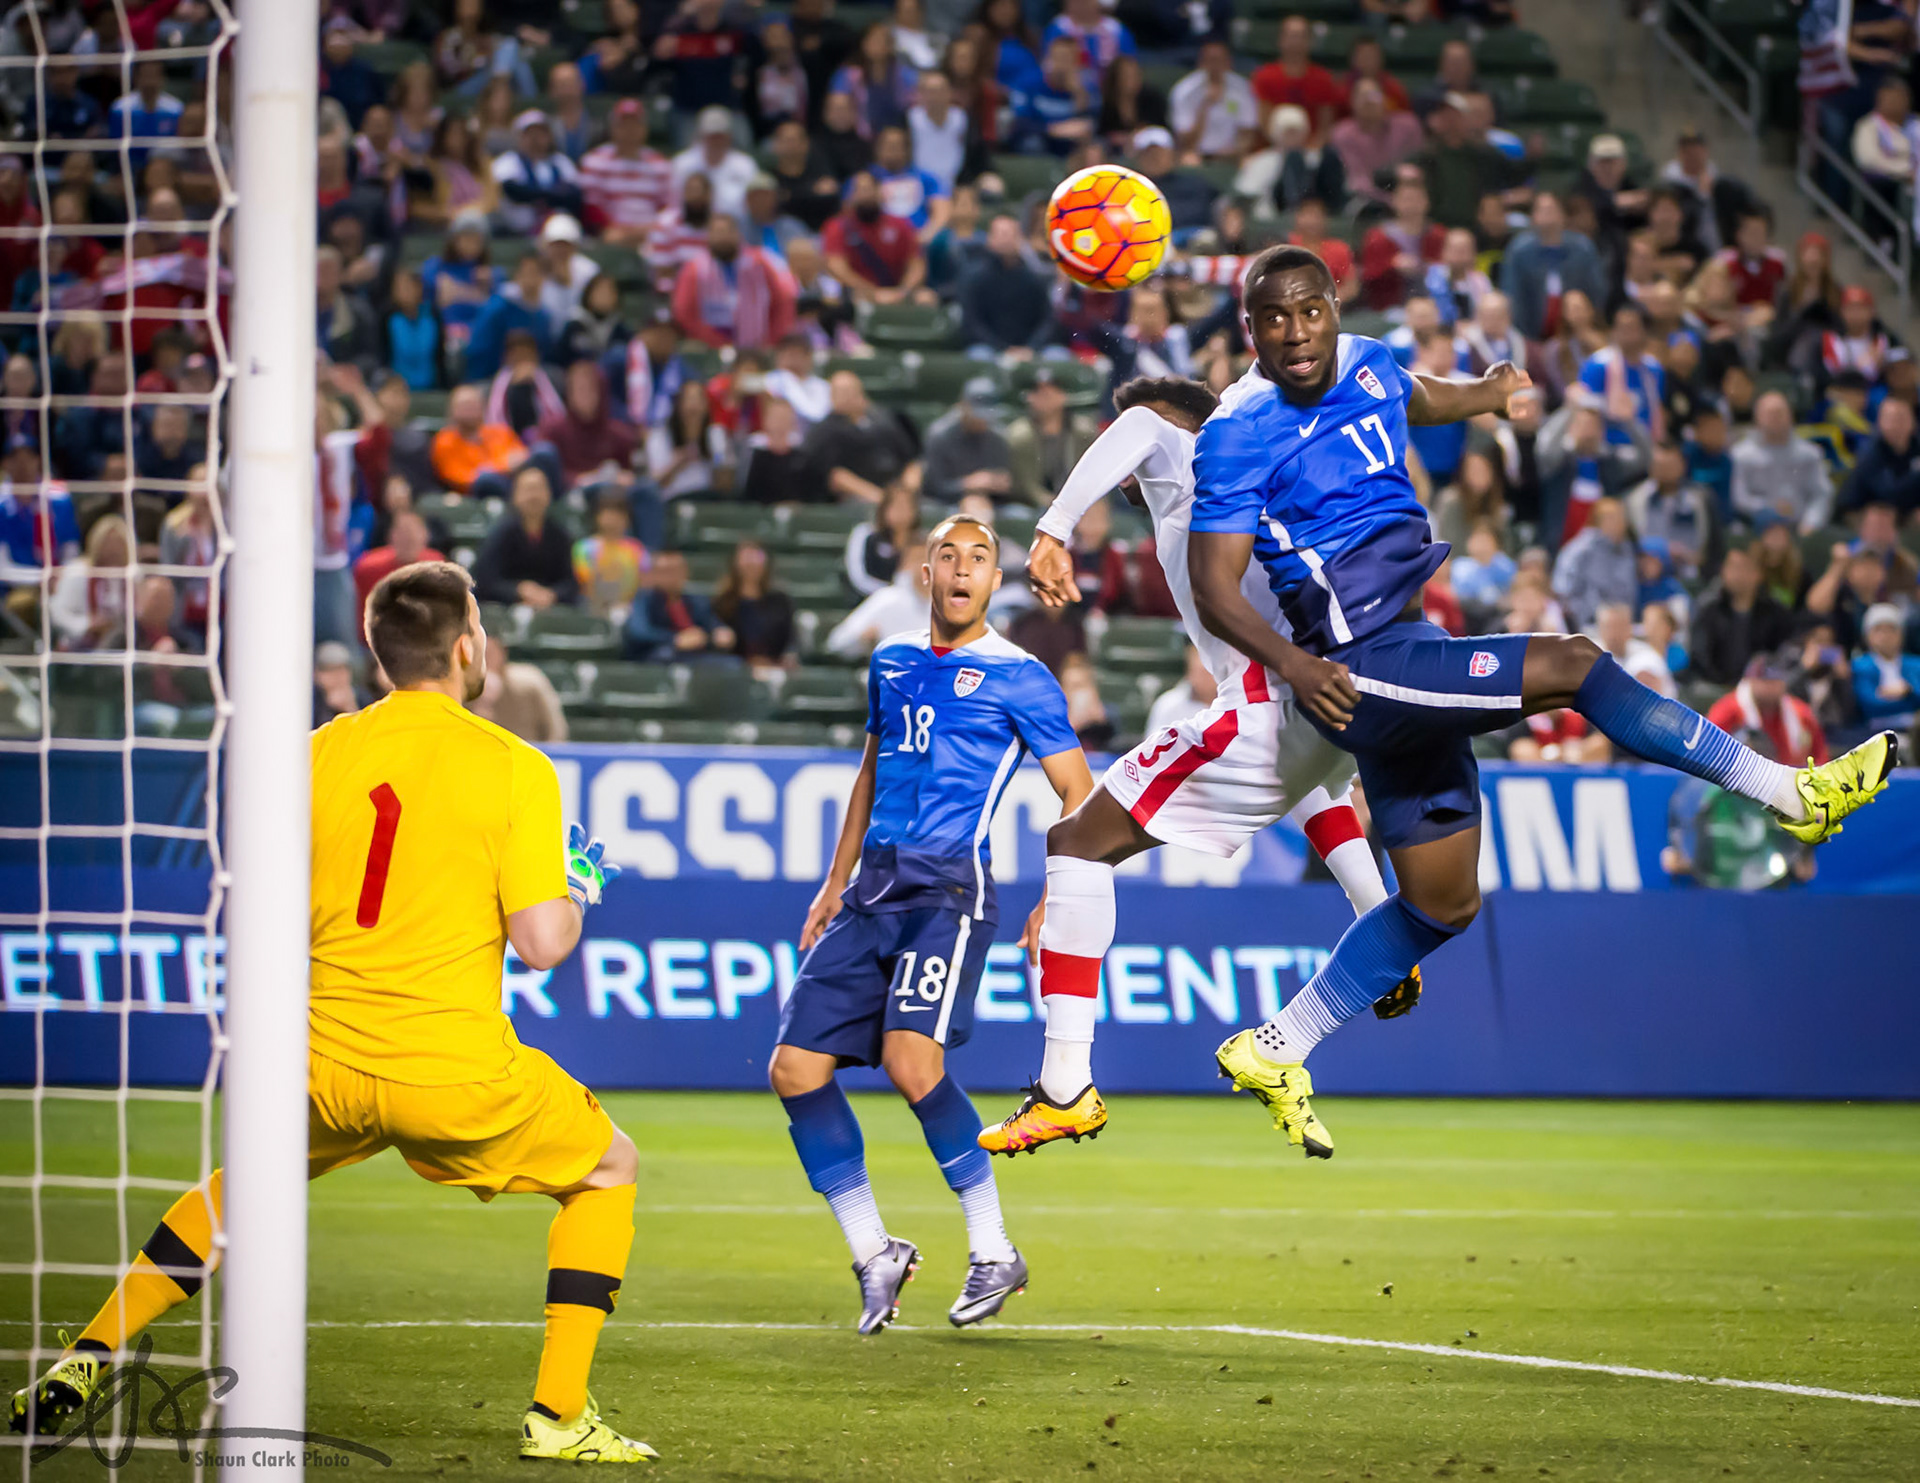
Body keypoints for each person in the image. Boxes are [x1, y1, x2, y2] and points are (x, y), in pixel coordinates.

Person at [1180, 245, 1896, 1158]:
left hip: (1409, 638)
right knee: (1575, 662)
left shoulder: (1363, 358)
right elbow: (1214, 584)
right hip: (1355, 665)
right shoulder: (1237, 428)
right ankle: (1789, 795)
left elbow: (1414, 394)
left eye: (1307, 310)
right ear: (1248, 328)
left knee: (1442, 903)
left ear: (1332, 305)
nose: (1295, 332)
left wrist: (1483, 393)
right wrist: (1296, 663)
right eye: (1272, 318)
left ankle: (1278, 1043)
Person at [12, 563, 646, 1460]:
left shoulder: (313, 754)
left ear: (381, 652)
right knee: (609, 1167)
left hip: (322, 1060)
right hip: (447, 1070)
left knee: (238, 1194)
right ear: (469, 646)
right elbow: (543, 943)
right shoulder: (516, 764)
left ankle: (89, 1351)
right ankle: (558, 1414)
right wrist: (577, 886)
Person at [978, 377, 1417, 1155]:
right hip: (1325, 698)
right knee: (1310, 781)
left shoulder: (1182, 440)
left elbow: (1140, 424)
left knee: (1078, 842)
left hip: (1262, 695)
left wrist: (1054, 528)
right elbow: (1311, 784)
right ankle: (1380, 928)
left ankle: (1063, 1089)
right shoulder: (1257, 473)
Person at [771, 515, 1092, 1331]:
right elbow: (871, 771)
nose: (961, 568)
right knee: (793, 1067)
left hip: (950, 894)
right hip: (871, 892)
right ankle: (875, 1250)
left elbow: (1080, 793)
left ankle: (993, 1250)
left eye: (978, 557)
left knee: (912, 1062)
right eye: (947, 555)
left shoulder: (1022, 676)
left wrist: (1062, 892)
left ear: (994, 583)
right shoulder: (891, 660)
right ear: (925, 574)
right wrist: (833, 880)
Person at [672, 212, 797, 352]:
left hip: (758, 347)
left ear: (738, 234)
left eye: (727, 232)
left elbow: (783, 300)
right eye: (717, 232)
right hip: (711, 349)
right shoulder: (694, 268)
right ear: (709, 236)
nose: (722, 238)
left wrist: (773, 340)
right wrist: (715, 342)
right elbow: (684, 312)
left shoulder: (761, 263)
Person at [1499, 192, 1607, 343]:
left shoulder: (1583, 248)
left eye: (1551, 210)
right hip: (1530, 334)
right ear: (1533, 216)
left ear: (1563, 215)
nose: (1547, 216)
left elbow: (1596, 292)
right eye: (1541, 210)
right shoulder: (1519, 250)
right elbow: (1512, 295)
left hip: (1576, 334)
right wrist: (1525, 340)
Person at [472, 465, 580, 610]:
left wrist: (552, 594)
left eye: (539, 489)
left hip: (548, 608)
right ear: (515, 495)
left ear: (549, 494)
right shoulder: (500, 533)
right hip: (505, 608)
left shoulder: (559, 535)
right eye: (528, 489)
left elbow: (570, 583)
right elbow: (485, 580)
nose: (534, 496)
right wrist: (519, 590)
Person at [802, 369, 920, 503]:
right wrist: (882, 499)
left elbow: (911, 461)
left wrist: (906, 493)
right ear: (832, 397)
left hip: (896, 494)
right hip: (857, 499)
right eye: (842, 393)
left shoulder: (883, 421)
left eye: (852, 391)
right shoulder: (824, 431)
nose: (849, 397)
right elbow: (836, 477)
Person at [1687, 545, 1796, 687]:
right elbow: (1699, 657)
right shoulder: (1708, 609)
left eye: (1742, 567)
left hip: (1759, 689)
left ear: (1758, 574)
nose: (1735, 574)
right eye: (1731, 567)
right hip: (1713, 687)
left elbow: (1781, 656)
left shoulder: (1776, 613)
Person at [1730, 391, 1834, 534]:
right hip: (1756, 528)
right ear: (1757, 418)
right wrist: (1770, 509)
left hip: (1801, 529)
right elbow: (1738, 497)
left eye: (1779, 413)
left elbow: (1821, 494)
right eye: (1769, 414)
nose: (1775, 419)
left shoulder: (1810, 454)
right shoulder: (1740, 455)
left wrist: (1811, 522)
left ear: (1790, 416)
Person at [822, 170, 927, 304]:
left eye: (869, 189)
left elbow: (916, 265)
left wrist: (902, 291)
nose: (865, 195)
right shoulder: (837, 227)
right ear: (851, 195)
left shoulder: (900, 225)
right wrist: (873, 292)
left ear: (879, 192)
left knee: (926, 298)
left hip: (897, 291)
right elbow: (836, 267)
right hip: (858, 292)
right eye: (860, 190)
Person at [1708, 653, 1828, 767]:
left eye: (1774, 681)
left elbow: (1820, 757)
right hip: (1736, 779)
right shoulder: (1727, 709)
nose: (1769, 687)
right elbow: (1708, 748)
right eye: (1764, 681)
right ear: (1750, 681)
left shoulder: (1801, 713)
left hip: (1790, 779)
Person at [1007, 366, 1097, 505]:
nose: (1044, 395)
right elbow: (1025, 485)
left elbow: (1091, 476)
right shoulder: (1020, 436)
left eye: (1050, 391)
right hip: (1031, 505)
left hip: (1077, 502)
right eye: (1037, 391)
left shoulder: (1083, 432)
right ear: (1029, 398)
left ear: (1063, 396)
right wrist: (1054, 504)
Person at [623, 548, 732, 660]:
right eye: (665, 571)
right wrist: (675, 639)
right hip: (659, 656)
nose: (671, 577)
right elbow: (638, 631)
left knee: (732, 664)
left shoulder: (695, 600)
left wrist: (719, 630)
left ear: (685, 572)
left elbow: (710, 621)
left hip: (695, 655)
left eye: (676, 570)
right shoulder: (644, 599)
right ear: (654, 574)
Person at [352, 508, 445, 639]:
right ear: (390, 536)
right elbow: (359, 619)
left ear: (426, 536)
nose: (408, 539)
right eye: (402, 533)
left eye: (414, 534)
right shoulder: (368, 568)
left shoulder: (437, 566)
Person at [1250, 15, 1338, 146]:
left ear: (1310, 41)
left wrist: (1311, 149)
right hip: (1273, 147)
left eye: (1301, 36)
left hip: (1311, 150)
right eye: (1291, 35)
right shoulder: (1265, 76)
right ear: (1281, 40)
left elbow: (1325, 126)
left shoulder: (1323, 79)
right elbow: (1263, 122)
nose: (1296, 41)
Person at [923, 377, 1013, 504]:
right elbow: (932, 488)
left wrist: (998, 483)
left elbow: (1005, 486)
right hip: (947, 504)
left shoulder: (998, 436)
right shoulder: (940, 435)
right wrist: (969, 483)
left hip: (990, 505)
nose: (982, 420)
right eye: (977, 414)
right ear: (963, 405)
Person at [712, 539, 795, 673]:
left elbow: (790, 640)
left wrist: (787, 658)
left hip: (774, 668)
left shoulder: (781, 601)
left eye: (756, 558)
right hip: (736, 670)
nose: (751, 564)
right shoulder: (722, 602)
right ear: (735, 563)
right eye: (746, 558)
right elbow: (720, 641)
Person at [1170, 36, 1256, 161]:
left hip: (1233, 154)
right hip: (1197, 154)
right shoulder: (1184, 91)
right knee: (1189, 160)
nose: (1215, 66)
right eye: (1211, 60)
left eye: (1220, 60)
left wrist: (1236, 152)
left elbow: (1247, 132)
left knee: (1249, 162)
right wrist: (1205, 106)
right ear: (1201, 63)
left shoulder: (1243, 89)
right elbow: (1184, 141)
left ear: (1229, 63)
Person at [1853, 603, 1920, 728]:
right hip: (1875, 732)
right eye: (1878, 629)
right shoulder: (1860, 666)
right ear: (1867, 635)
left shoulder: (1916, 664)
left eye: (1891, 629)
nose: (1885, 636)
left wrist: (1907, 691)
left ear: (1901, 634)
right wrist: (1910, 701)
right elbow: (1870, 705)